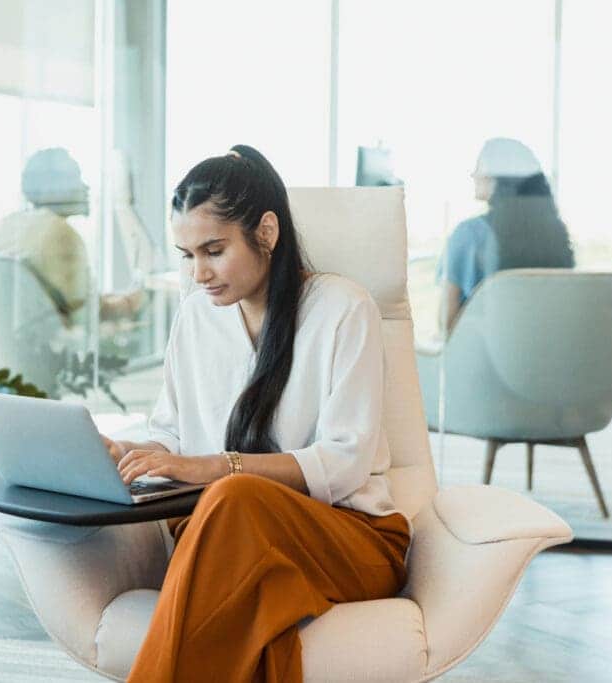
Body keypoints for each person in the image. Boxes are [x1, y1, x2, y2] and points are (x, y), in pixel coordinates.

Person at [99, 145, 411, 682]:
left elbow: (345, 464)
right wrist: (140, 454)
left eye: (213, 250)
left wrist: (220, 468)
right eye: (186, 254)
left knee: (233, 497)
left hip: (350, 540)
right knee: (246, 575)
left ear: (266, 232)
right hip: (228, 533)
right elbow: (170, 433)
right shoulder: (196, 317)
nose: (198, 273)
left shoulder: (343, 308)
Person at [0, 148, 145, 326]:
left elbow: (65, 300)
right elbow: (87, 313)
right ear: (51, 187)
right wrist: (134, 302)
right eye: (76, 177)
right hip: (54, 347)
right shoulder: (58, 232)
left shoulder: (9, 225)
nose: (84, 187)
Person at [438, 137, 574, 331]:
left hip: (481, 359)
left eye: (479, 165)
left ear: (498, 176)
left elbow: (446, 324)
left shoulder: (469, 235)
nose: (473, 174)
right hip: (547, 358)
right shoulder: (556, 240)